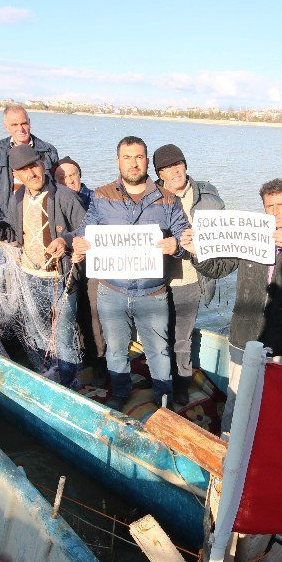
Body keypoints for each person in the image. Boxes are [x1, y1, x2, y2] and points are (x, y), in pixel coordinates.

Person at [181, 178, 282, 431]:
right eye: (269, 206)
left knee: (276, 401)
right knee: (236, 399)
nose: (275, 211)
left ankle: (266, 450)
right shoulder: (250, 235)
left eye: (281, 204)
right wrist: (197, 252)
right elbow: (218, 268)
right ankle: (226, 444)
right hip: (244, 333)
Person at [71, 136, 190, 409]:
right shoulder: (101, 196)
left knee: (159, 351)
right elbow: (86, 229)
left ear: (147, 161)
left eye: (139, 157)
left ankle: (163, 400)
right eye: (127, 157)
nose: (133, 163)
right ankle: (121, 392)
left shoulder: (168, 198)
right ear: (118, 161)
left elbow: (185, 234)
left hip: (154, 292)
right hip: (111, 291)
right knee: (115, 349)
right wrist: (79, 241)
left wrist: (177, 245)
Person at [0, 145, 85, 387]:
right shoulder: (17, 198)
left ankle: (71, 385)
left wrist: (64, 240)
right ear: (16, 175)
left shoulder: (65, 196)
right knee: (35, 331)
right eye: (24, 170)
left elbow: (87, 230)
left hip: (61, 277)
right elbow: (13, 234)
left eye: (34, 165)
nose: (32, 173)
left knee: (64, 337)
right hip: (29, 276)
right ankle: (49, 374)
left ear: (42, 164)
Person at [152, 143, 225, 406]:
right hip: (157, 282)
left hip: (191, 280)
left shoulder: (209, 196)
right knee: (158, 337)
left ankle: (181, 384)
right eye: (166, 168)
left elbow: (225, 234)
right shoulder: (152, 197)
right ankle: (160, 383)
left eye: (177, 164)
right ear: (159, 174)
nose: (174, 171)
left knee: (182, 339)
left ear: (185, 165)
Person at [51, 156, 104, 384]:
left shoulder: (95, 198)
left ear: (80, 175)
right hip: (68, 268)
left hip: (93, 267)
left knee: (94, 316)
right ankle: (82, 361)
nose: (69, 180)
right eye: (61, 177)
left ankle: (100, 364)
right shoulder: (54, 201)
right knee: (71, 316)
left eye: (73, 175)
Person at [0, 105, 59, 230]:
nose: (21, 129)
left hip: (40, 219)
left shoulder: (48, 151)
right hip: (8, 221)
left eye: (24, 123)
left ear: (29, 122)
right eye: (14, 125)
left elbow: (56, 188)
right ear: (6, 126)